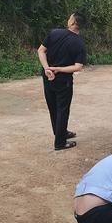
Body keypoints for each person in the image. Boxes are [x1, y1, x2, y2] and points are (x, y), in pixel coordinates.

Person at [37, 13, 87, 151]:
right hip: (63, 80)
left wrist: (47, 68)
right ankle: (60, 142)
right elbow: (78, 67)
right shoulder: (79, 44)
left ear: (72, 22)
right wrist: (58, 69)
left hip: (47, 76)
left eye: (70, 17)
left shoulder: (54, 33)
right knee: (62, 110)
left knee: (53, 107)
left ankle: (61, 133)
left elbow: (41, 51)